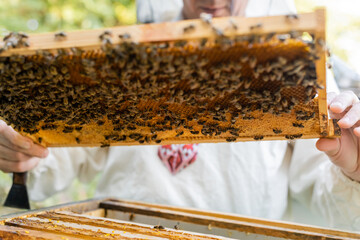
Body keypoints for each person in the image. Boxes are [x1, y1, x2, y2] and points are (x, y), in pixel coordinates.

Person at [1, 0, 360, 231]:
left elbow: (331, 212)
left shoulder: (295, 64)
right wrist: (16, 147)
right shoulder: (123, 56)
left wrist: (354, 171)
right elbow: (54, 159)